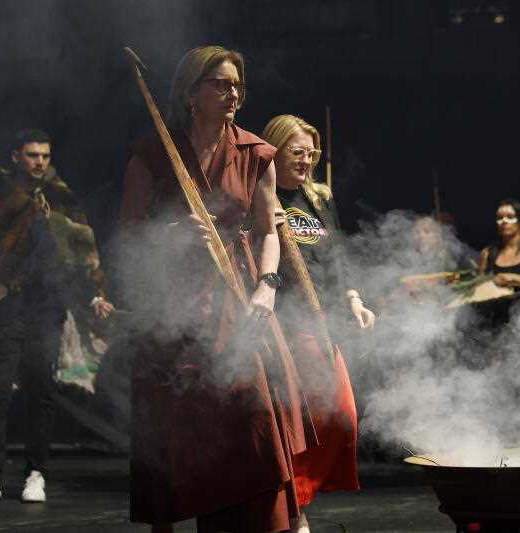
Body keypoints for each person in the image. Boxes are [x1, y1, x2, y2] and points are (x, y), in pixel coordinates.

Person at [119, 46, 314, 533]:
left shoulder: (255, 153)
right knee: (178, 418)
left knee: (251, 413)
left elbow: (270, 231)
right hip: (172, 301)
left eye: (238, 86)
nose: (233, 94)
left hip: (236, 291)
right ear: (191, 93)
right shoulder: (152, 154)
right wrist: (169, 235)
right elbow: (128, 234)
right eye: (221, 85)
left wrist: (267, 287)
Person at [0, 129, 114, 508]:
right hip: (5, 305)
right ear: (17, 157)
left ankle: (36, 472)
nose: (40, 162)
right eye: (33, 155)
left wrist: (94, 294)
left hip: (46, 307)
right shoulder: (0, 196)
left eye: (45, 155)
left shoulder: (60, 198)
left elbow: (79, 255)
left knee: (40, 390)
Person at [262, 114, 374, 533]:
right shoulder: (262, 196)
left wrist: (354, 298)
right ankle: (295, 512)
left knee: (341, 414)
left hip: (324, 319)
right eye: (297, 152)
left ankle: (297, 502)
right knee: (300, 421)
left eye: (312, 153)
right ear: (274, 150)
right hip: (289, 322)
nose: (306, 160)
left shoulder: (319, 198)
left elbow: (337, 255)